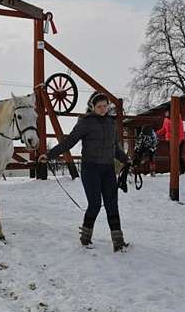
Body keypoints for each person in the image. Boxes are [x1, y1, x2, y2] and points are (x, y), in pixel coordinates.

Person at [44, 92, 131, 252]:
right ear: (92, 107)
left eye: (105, 106)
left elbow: (116, 148)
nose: (103, 109)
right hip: (90, 168)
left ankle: (118, 241)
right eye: (99, 107)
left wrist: (126, 159)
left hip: (108, 169)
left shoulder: (112, 123)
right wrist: (50, 155)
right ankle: (86, 236)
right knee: (95, 204)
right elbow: (69, 141)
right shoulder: (85, 123)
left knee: (112, 204)